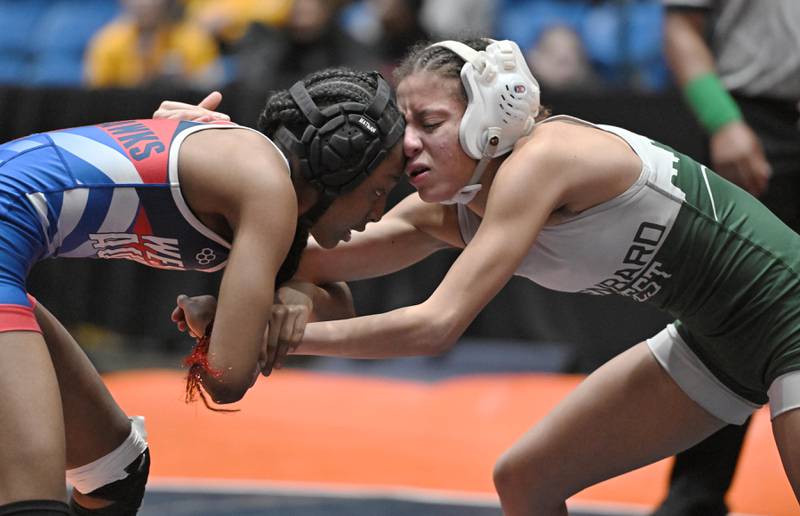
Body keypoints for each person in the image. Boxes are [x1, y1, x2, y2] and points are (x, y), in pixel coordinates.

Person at [170, 38, 800, 514]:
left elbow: (434, 325)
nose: (408, 145)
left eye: (431, 124)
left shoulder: (543, 160)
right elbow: (295, 255)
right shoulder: (446, 210)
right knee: (527, 481)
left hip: (790, 315)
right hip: (714, 340)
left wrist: (258, 335)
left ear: (495, 112)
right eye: (405, 126)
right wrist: (193, 178)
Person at [0, 68, 404, 515]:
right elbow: (226, 380)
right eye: (379, 190)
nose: (378, 212)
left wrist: (294, 300)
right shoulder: (265, 189)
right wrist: (219, 324)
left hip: (9, 258)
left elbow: (340, 307)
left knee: (114, 472)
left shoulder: (257, 180)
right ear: (338, 167)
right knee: (31, 501)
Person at [660, 1, 800, 513]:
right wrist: (723, 122)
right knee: (731, 310)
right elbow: (681, 27)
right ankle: (696, 494)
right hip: (756, 123)